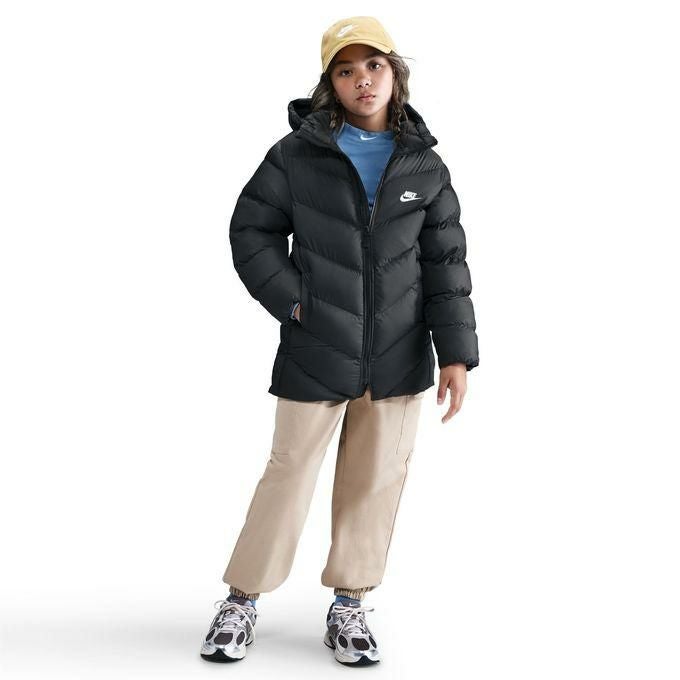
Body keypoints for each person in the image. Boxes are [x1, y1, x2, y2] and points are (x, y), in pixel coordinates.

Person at [200, 16, 479, 666]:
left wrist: (456, 354)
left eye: (373, 65)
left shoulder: (425, 166)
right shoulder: (297, 156)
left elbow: (446, 264)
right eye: (347, 70)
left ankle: (349, 605)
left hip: (400, 355)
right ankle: (242, 599)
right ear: (331, 82)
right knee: (288, 473)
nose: (363, 80)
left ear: (394, 73)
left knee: (375, 480)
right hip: (316, 348)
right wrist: (295, 301)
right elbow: (251, 231)